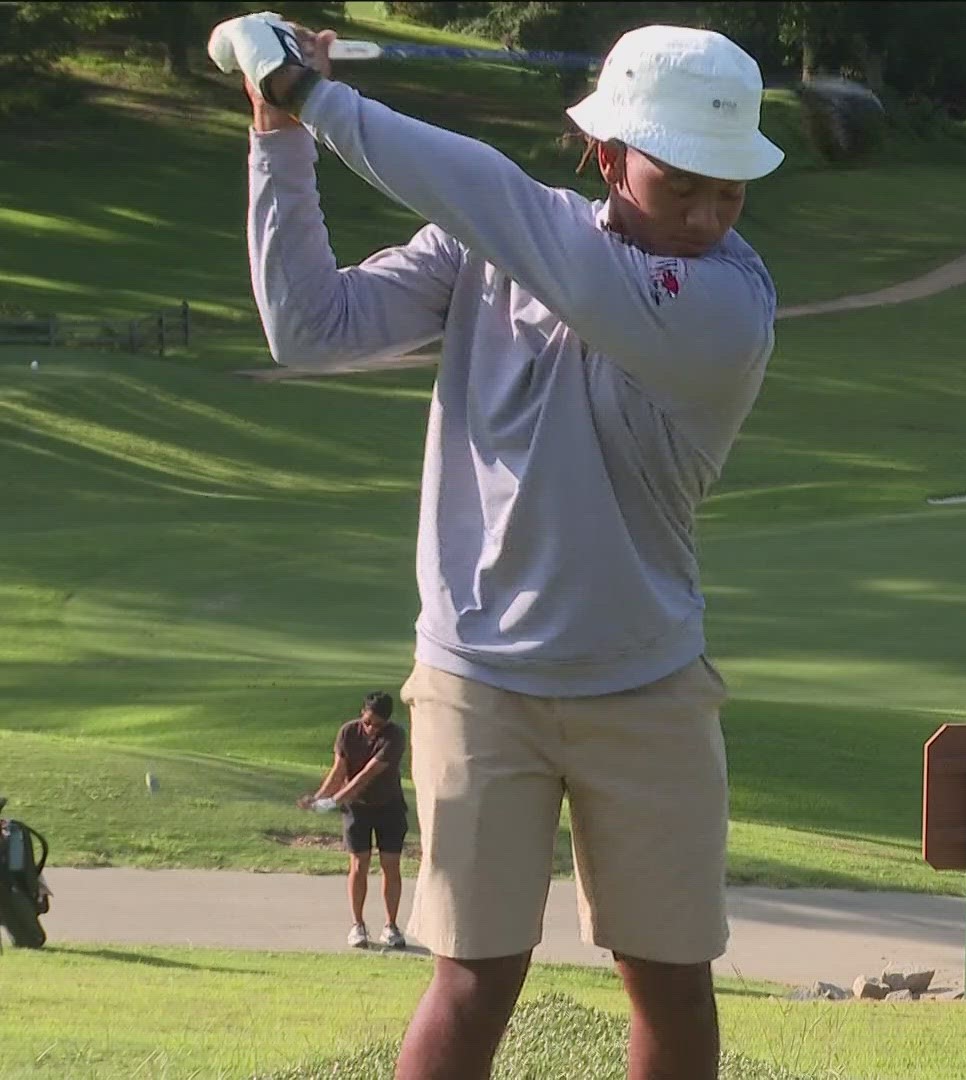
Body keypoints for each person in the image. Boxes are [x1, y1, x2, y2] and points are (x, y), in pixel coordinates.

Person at [211, 11, 781, 1080]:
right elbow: (311, 329)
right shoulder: (496, 247)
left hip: (646, 683)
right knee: (472, 979)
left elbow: (497, 203)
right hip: (477, 681)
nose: (708, 215)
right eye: (683, 185)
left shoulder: (725, 308)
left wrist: (319, 98)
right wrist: (277, 137)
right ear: (608, 156)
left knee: (671, 979)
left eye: (730, 191)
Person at [300, 690, 409, 950]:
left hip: (389, 807)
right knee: (359, 865)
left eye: (377, 725)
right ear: (362, 713)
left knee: (390, 865)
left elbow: (364, 777)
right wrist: (318, 798)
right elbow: (340, 771)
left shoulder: (395, 736)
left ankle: (391, 927)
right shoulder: (349, 732)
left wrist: (331, 802)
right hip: (357, 811)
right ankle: (357, 926)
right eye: (367, 722)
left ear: (387, 722)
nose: (371, 729)